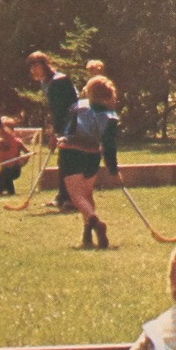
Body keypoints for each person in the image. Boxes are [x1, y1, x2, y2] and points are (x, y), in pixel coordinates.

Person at [58, 74, 122, 249]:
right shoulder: (110, 116)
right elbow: (109, 145)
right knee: (87, 195)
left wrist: (62, 139)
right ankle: (87, 236)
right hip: (93, 155)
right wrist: (113, 169)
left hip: (72, 154)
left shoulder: (78, 107)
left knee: (77, 196)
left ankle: (96, 223)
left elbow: (68, 130)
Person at [27, 52, 80, 210]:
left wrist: (55, 134)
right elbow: (54, 110)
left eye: (37, 65)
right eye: (31, 67)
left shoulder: (58, 81)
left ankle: (70, 199)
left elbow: (62, 111)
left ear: (46, 65)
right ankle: (62, 197)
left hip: (73, 124)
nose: (34, 70)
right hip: (64, 123)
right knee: (63, 161)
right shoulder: (46, 82)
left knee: (68, 160)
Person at [0, 116, 29, 197]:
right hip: (3, 170)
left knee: (7, 174)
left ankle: (10, 191)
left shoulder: (17, 142)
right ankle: (2, 189)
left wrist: (23, 162)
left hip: (14, 170)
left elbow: (27, 153)